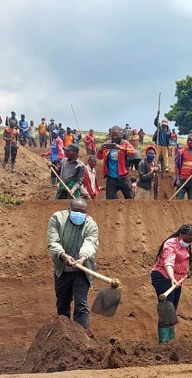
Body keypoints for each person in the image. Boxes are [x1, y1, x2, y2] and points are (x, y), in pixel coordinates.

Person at [47, 198, 99, 329]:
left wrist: (82, 258)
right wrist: (64, 256)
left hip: (82, 270)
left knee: (81, 305)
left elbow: (90, 243)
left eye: (83, 212)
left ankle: (83, 338)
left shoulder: (91, 225)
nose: (79, 214)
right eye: (76, 211)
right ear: (69, 209)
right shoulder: (57, 219)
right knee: (63, 306)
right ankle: (63, 337)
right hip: (63, 269)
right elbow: (53, 242)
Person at [150, 224, 192, 343]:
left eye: (190, 240)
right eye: (186, 239)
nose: (187, 242)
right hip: (163, 276)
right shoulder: (170, 244)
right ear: (180, 234)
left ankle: (170, 342)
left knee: (172, 309)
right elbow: (168, 262)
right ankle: (164, 344)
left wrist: (185, 272)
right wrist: (172, 277)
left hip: (177, 280)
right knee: (166, 308)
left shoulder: (186, 246)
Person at [96, 125, 135, 199]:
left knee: (130, 199)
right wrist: (101, 150)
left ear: (120, 135)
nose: (114, 137)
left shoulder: (124, 143)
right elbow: (99, 157)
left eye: (116, 135)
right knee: (109, 200)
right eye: (113, 136)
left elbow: (132, 152)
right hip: (111, 178)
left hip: (123, 177)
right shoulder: (108, 144)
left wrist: (121, 148)